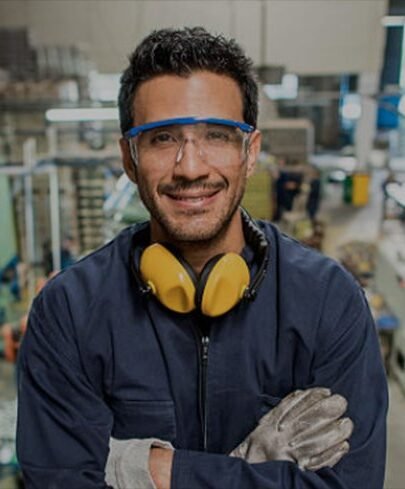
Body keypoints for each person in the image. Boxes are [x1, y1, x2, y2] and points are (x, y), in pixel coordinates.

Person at [16, 27, 387, 489]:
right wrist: (254, 471)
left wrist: (154, 469)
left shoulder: (328, 302)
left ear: (250, 152)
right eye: (162, 138)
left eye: (217, 135)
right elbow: (61, 481)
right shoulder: (69, 312)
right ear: (129, 158)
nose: (191, 167)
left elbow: (351, 484)